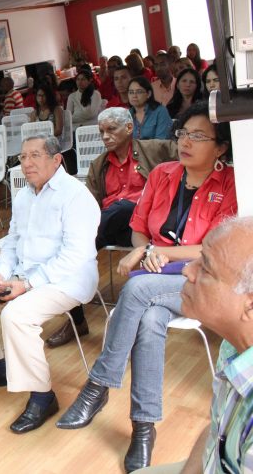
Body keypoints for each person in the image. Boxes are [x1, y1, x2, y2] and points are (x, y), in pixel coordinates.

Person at [56, 102, 237, 473]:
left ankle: (98, 386)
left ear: (220, 147)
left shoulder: (231, 183)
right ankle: (143, 427)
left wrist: (156, 252)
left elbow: (211, 247)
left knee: (137, 292)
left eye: (198, 136)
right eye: (182, 134)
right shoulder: (162, 174)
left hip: (200, 280)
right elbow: (139, 226)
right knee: (150, 319)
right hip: (156, 275)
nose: (185, 142)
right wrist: (142, 249)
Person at [0, 134, 100, 434]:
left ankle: (42, 396)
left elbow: (75, 256)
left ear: (56, 159)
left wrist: (26, 284)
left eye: (35, 155)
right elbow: (13, 241)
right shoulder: (24, 195)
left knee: (16, 315)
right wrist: (0, 275)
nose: (27, 163)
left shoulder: (76, 195)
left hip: (67, 280)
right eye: (23, 157)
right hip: (23, 274)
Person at [45, 107, 177, 348]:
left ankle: (65, 252)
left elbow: (189, 155)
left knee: (122, 208)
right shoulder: (99, 165)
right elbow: (89, 205)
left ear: (129, 128)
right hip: (111, 228)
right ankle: (77, 320)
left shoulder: (154, 149)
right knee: (80, 249)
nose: (105, 136)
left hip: (143, 229)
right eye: (101, 131)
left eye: (111, 130)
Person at [140, 218, 253, 473]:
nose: (187, 271)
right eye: (198, 260)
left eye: (206, 269)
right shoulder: (232, 346)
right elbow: (217, 428)